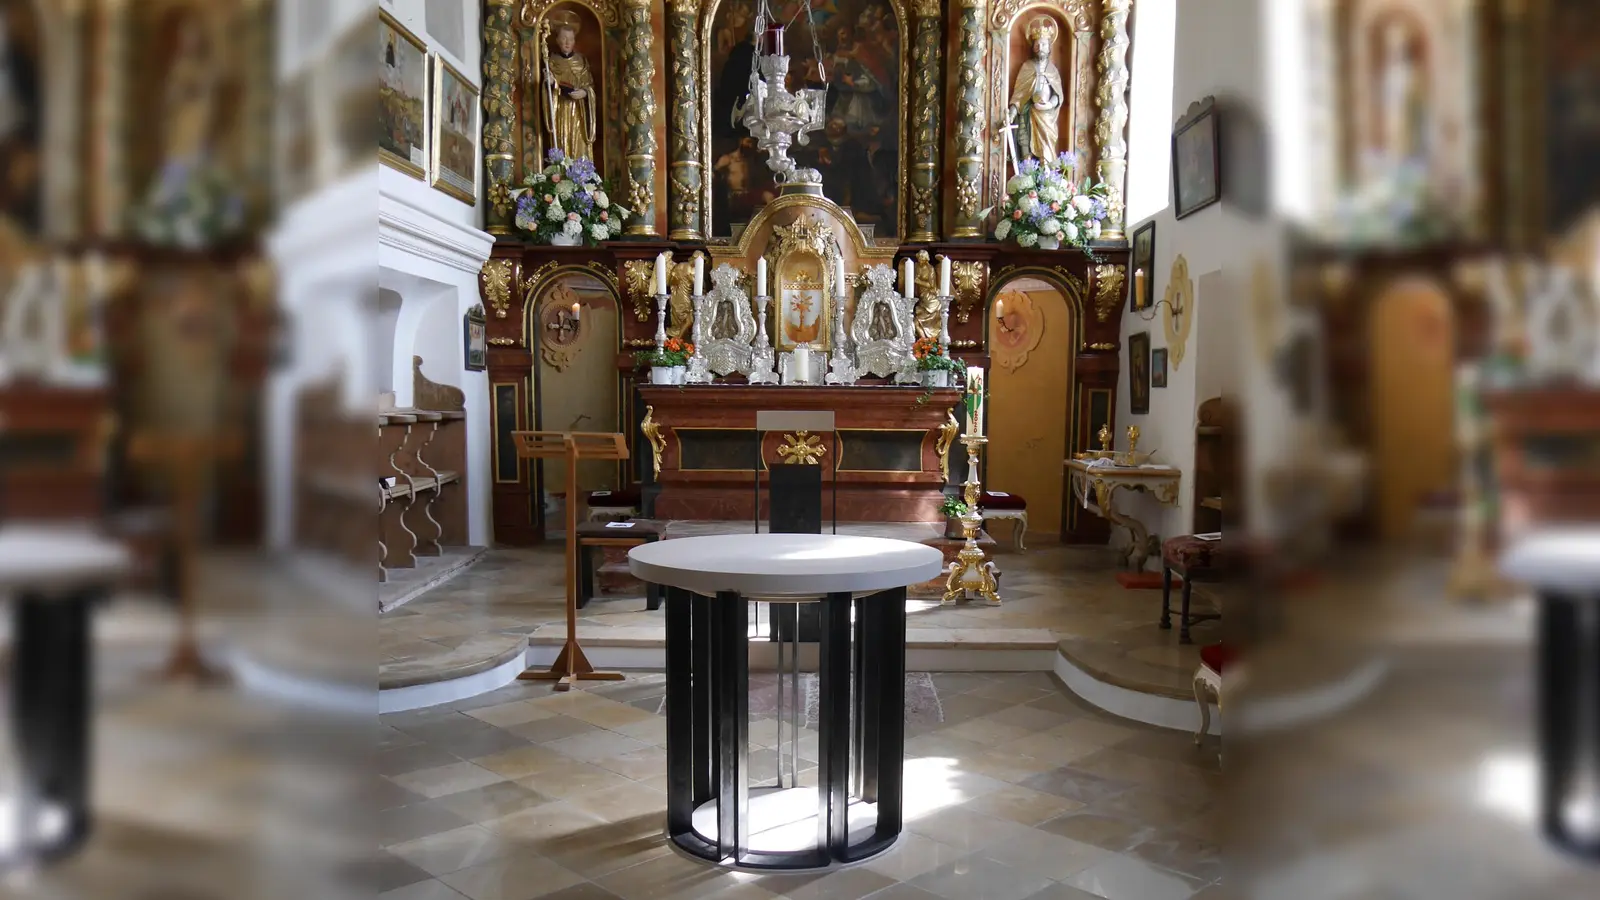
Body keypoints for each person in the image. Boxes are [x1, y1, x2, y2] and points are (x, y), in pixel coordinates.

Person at [539, 11, 596, 162]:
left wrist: (585, 92)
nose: (567, 42)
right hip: (560, 109)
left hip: (579, 111)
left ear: (574, 41)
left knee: (579, 143)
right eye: (563, 38)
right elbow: (547, 90)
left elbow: (590, 85)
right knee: (562, 141)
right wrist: (551, 84)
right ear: (557, 40)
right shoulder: (551, 61)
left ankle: (582, 176)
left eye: (570, 39)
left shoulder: (582, 61)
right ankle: (561, 174)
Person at [1007, 16, 1064, 163]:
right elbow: (1019, 94)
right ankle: (1027, 174)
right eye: (1037, 44)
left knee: (1046, 146)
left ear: (1049, 47)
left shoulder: (1052, 70)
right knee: (1025, 142)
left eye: (1044, 44)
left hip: (1046, 115)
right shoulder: (1027, 67)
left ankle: (1047, 175)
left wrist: (1050, 104)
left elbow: (1057, 94)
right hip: (1028, 111)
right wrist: (1012, 113)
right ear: (1033, 47)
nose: (1040, 47)